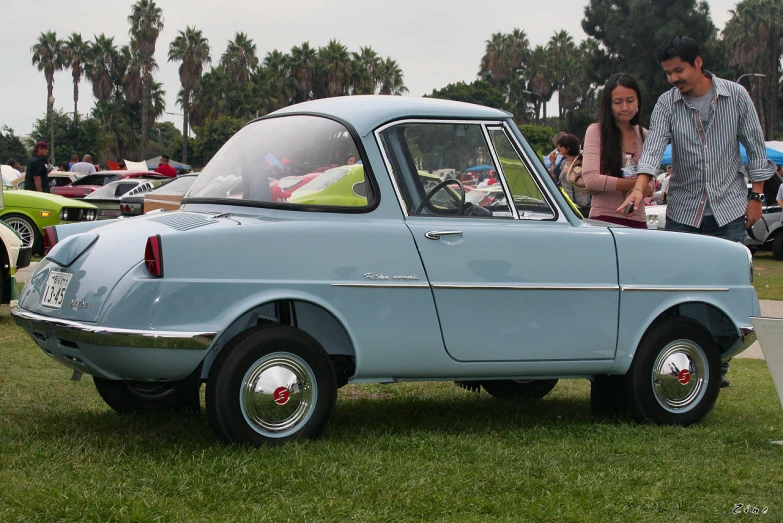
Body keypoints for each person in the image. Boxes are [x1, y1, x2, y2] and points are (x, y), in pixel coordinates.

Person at [619, 35, 776, 387]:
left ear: (698, 63)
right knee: (682, 292)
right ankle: (691, 356)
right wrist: (639, 188)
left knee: (727, 289)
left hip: (730, 209)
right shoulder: (666, 104)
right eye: (668, 73)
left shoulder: (736, 95)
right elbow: (653, 148)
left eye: (679, 70)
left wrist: (757, 197)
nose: (674, 78)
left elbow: (755, 146)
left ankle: (719, 363)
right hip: (684, 211)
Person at [581, 73, 655, 228]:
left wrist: (643, 188)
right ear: (608, 104)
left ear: (638, 101)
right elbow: (591, 179)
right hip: (604, 220)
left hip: (638, 221)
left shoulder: (645, 134)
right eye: (618, 102)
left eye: (630, 101)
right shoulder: (596, 131)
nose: (625, 107)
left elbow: (652, 183)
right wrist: (638, 185)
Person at [557, 134, 591, 217]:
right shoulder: (563, 163)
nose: (558, 148)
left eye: (561, 146)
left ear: (568, 148)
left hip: (583, 205)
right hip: (568, 205)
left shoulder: (582, 162)